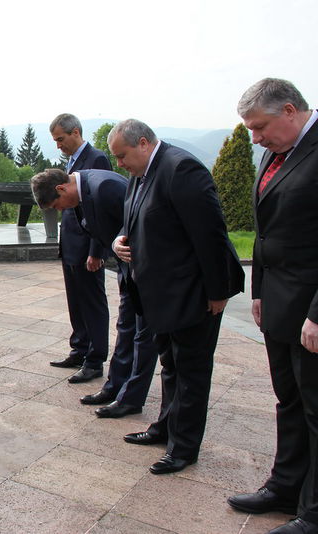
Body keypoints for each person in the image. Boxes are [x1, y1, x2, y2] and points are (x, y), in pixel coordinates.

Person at [109, 119, 244, 474]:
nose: (120, 164)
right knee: (171, 366)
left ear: (142, 143)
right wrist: (118, 241)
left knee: (192, 372)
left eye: (122, 156)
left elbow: (211, 235)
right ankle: (165, 428)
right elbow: (133, 220)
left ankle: (183, 449)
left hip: (192, 294)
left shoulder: (180, 168)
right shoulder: (140, 174)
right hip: (159, 294)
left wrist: (218, 293)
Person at [227, 78, 318, 534]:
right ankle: (285, 486)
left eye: (260, 127)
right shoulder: (274, 152)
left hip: (311, 310)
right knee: (289, 400)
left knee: (316, 408)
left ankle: (314, 511)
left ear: (289, 110)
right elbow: (265, 233)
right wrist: (258, 290)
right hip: (279, 304)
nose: (256, 138)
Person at [31, 168, 157, 418]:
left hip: (145, 269)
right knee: (126, 327)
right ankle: (115, 389)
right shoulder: (82, 192)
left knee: (142, 337)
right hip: (127, 266)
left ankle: (131, 398)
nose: (60, 210)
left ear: (61, 189)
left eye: (57, 205)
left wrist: (121, 250)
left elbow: (142, 221)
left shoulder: (104, 187)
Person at [47, 114, 112, 384]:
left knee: (92, 302)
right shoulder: (71, 162)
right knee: (76, 300)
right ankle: (80, 348)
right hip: (71, 243)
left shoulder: (96, 159)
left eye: (61, 139)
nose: (58, 146)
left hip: (88, 247)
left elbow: (100, 210)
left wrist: (96, 250)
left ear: (75, 132)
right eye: (55, 141)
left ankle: (95, 359)